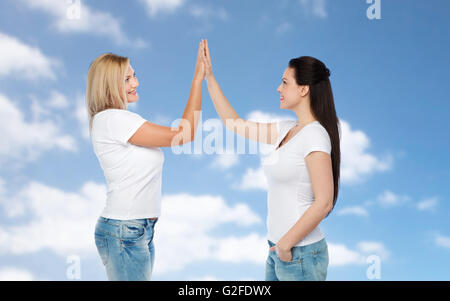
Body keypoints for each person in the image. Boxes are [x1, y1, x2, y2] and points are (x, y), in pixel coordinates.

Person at [200, 40, 341, 281]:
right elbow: (235, 124)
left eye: (285, 82)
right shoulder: (286, 129)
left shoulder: (315, 135)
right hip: (278, 250)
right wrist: (209, 78)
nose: (278, 88)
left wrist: (286, 244)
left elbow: (324, 202)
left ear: (304, 89)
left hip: (300, 254)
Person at [86, 40, 206, 280]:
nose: (136, 83)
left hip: (137, 230)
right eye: (127, 79)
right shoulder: (115, 120)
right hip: (125, 231)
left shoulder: (115, 121)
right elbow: (184, 134)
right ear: (109, 86)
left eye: (134, 76)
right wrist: (196, 80)